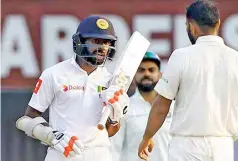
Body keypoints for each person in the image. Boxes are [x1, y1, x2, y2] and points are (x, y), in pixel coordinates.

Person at [15, 15, 129, 161]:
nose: (102, 48)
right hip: (63, 152)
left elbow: (110, 131)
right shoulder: (55, 74)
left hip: (99, 154)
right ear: (80, 42)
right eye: (96, 41)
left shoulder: (112, 81)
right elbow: (30, 115)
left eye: (106, 42)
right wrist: (51, 135)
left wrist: (115, 117)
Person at [138, 1, 238, 161]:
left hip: (187, 147)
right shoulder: (235, 58)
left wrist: (147, 137)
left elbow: (161, 107)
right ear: (218, 23)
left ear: (191, 26)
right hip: (223, 146)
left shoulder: (181, 56)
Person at [110, 51, 174, 161]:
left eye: (151, 70)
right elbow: (114, 149)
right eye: (141, 70)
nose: (147, 74)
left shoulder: (172, 106)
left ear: (160, 75)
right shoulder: (124, 106)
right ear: (134, 75)